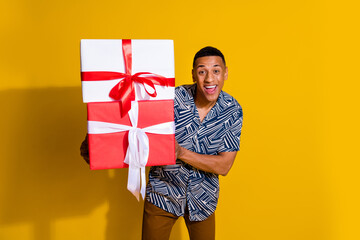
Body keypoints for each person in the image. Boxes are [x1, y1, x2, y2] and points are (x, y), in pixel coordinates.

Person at [80, 46, 243, 240]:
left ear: (225, 73)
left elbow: (224, 165)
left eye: (216, 71)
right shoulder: (173, 98)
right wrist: (99, 134)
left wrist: (180, 152)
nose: (209, 79)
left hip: (203, 198)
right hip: (162, 194)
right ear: (193, 74)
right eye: (202, 71)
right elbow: (135, 112)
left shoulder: (232, 111)